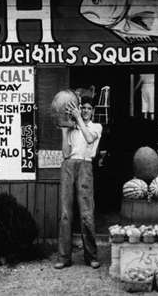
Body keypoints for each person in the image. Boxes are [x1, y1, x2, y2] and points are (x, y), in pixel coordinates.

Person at [55, 96, 103, 269]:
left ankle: (91, 256)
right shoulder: (72, 128)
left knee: (86, 214)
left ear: (93, 111)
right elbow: (65, 153)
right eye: (83, 108)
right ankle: (63, 257)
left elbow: (90, 139)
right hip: (69, 165)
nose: (85, 111)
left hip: (85, 165)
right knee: (66, 214)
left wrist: (78, 121)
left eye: (89, 109)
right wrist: (64, 130)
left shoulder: (96, 127)